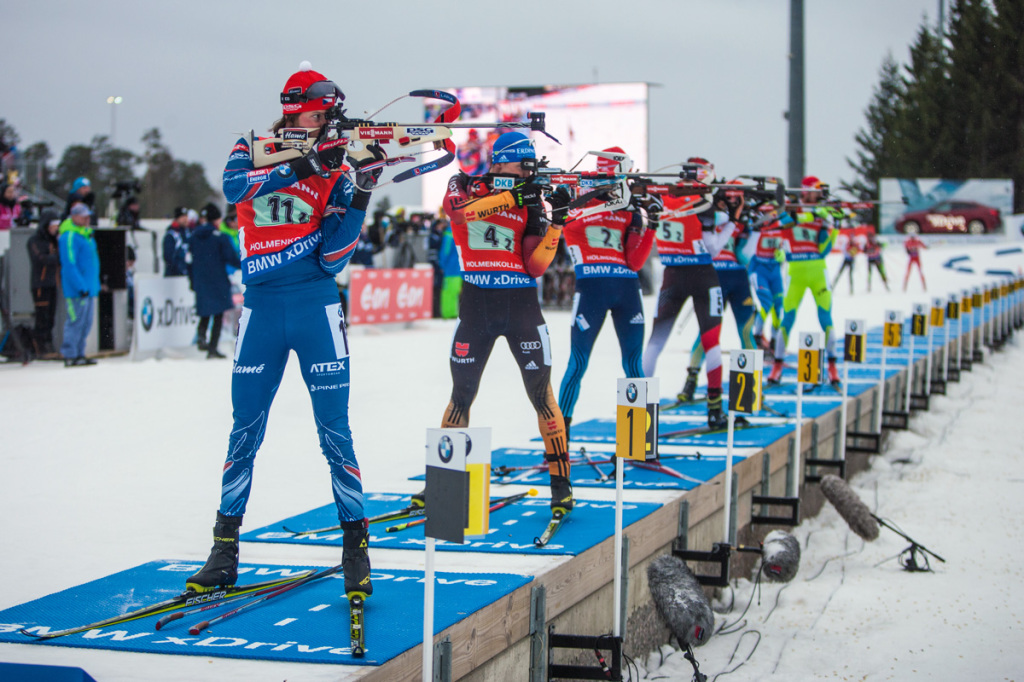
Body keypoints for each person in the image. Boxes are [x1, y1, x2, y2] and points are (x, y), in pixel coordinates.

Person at [187, 62, 382, 605]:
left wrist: (359, 190)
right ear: (305, 109)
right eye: (326, 113)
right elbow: (233, 187)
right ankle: (224, 552)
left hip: (316, 308)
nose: (332, 123)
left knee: (334, 432)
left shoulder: (337, 166)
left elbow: (333, 257)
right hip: (261, 312)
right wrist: (302, 165)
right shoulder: (251, 146)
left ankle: (355, 552)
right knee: (244, 430)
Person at [441, 130, 573, 514]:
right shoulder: (463, 182)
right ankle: (446, 481)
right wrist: (510, 196)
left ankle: (561, 485)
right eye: (524, 165)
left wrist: (556, 223)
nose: (530, 173)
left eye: (533, 166)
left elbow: (535, 266)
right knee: (461, 396)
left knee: (542, 397)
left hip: (521, 307)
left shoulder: (530, 203)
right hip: (476, 306)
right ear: (499, 162)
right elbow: (459, 212)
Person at [556, 147, 655, 438]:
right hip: (591, 290)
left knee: (634, 365)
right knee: (578, 362)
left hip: (627, 289)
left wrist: (649, 225)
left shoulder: (626, 208)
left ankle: (640, 441)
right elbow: (563, 212)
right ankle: (560, 439)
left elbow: (635, 262)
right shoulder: (578, 202)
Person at [642, 157, 737, 428]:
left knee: (655, 342)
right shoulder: (703, 203)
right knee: (712, 342)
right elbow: (714, 248)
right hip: (703, 276)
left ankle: (640, 409)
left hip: (671, 275)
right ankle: (715, 409)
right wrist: (733, 221)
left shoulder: (664, 198)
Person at [679, 180, 757, 402]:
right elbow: (708, 249)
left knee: (746, 332)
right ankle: (691, 382)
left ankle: (749, 390)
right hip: (714, 278)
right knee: (708, 334)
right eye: (728, 198)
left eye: (737, 199)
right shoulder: (708, 215)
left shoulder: (742, 221)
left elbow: (743, 257)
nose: (731, 203)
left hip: (738, 280)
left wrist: (755, 232)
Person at [768, 176, 841, 387]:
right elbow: (784, 219)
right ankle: (778, 366)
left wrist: (834, 225)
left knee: (826, 317)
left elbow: (824, 249)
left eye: (820, 192)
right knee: (787, 318)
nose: (818, 196)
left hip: (818, 270)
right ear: (805, 191)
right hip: (795, 271)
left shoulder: (822, 215)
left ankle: (833, 367)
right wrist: (813, 214)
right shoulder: (792, 208)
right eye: (815, 191)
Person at [188, 203, 240, 358]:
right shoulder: (220, 238)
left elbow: (189, 260)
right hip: (218, 280)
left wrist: (193, 280)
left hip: (201, 280)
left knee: (204, 311)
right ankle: (212, 348)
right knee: (218, 314)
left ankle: (202, 336)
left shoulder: (193, 237)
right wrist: (246, 265)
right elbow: (231, 258)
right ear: (216, 220)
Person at [747, 201, 791, 363]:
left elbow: (790, 228)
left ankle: (773, 340)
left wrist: (783, 253)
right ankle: (757, 337)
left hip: (774, 270)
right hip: (758, 269)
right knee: (766, 303)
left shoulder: (780, 224)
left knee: (779, 304)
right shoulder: (756, 225)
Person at [57, 203, 100, 367]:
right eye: (83, 216)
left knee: (86, 322)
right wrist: (80, 286)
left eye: (88, 216)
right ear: (74, 217)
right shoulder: (69, 236)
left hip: (89, 287)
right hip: (77, 289)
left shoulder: (87, 234)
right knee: (75, 321)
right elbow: (69, 264)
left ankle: (80, 353)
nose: (87, 219)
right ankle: (70, 354)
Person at [26, 210, 61, 357]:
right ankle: (39, 346)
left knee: (51, 316)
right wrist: (56, 256)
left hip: (53, 283)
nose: (56, 228)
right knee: (42, 316)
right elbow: (41, 259)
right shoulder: (34, 241)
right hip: (40, 284)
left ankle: (47, 343)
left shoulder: (54, 241)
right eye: (53, 225)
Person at [438, 217, 461, 319]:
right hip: (459, 267)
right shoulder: (461, 231)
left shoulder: (448, 233)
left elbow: (445, 251)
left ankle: (448, 313)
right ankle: (453, 312)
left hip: (450, 268)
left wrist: (442, 264)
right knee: (455, 291)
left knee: (448, 291)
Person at [162, 207, 191, 276]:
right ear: (177, 218)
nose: (185, 219)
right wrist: (180, 269)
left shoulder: (189, 233)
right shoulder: (171, 235)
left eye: (186, 216)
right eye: (182, 216)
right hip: (174, 276)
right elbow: (168, 257)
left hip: (187, 275)